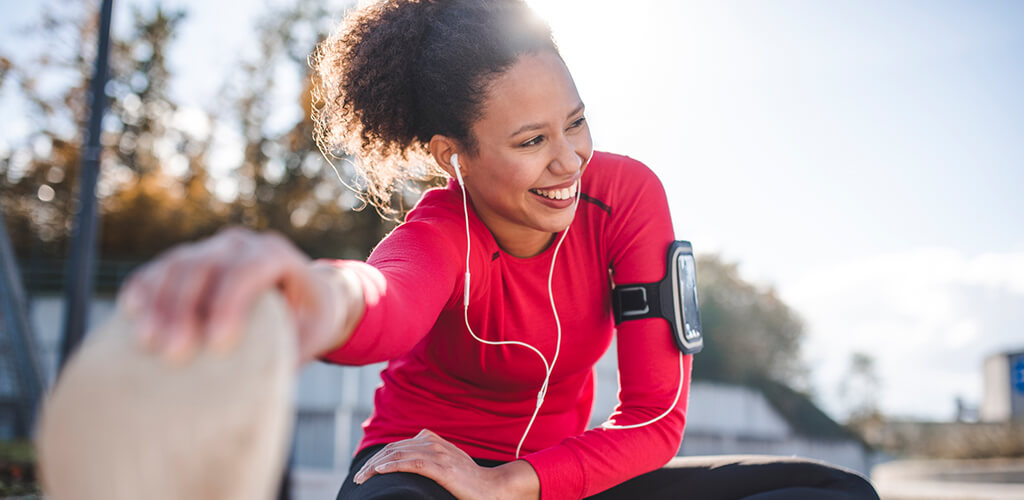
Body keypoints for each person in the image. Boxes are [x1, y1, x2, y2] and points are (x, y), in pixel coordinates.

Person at [118, 0, 881, 499]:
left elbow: (653, 419)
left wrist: (514, 483)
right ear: (456, 155)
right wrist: (306, 292)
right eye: (530, 141)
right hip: (420, 474)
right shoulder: (441, 229)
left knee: (834, 494)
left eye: (575, 122)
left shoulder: (626, 197)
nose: (569, 160)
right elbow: (381, 299)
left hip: (551, 479)